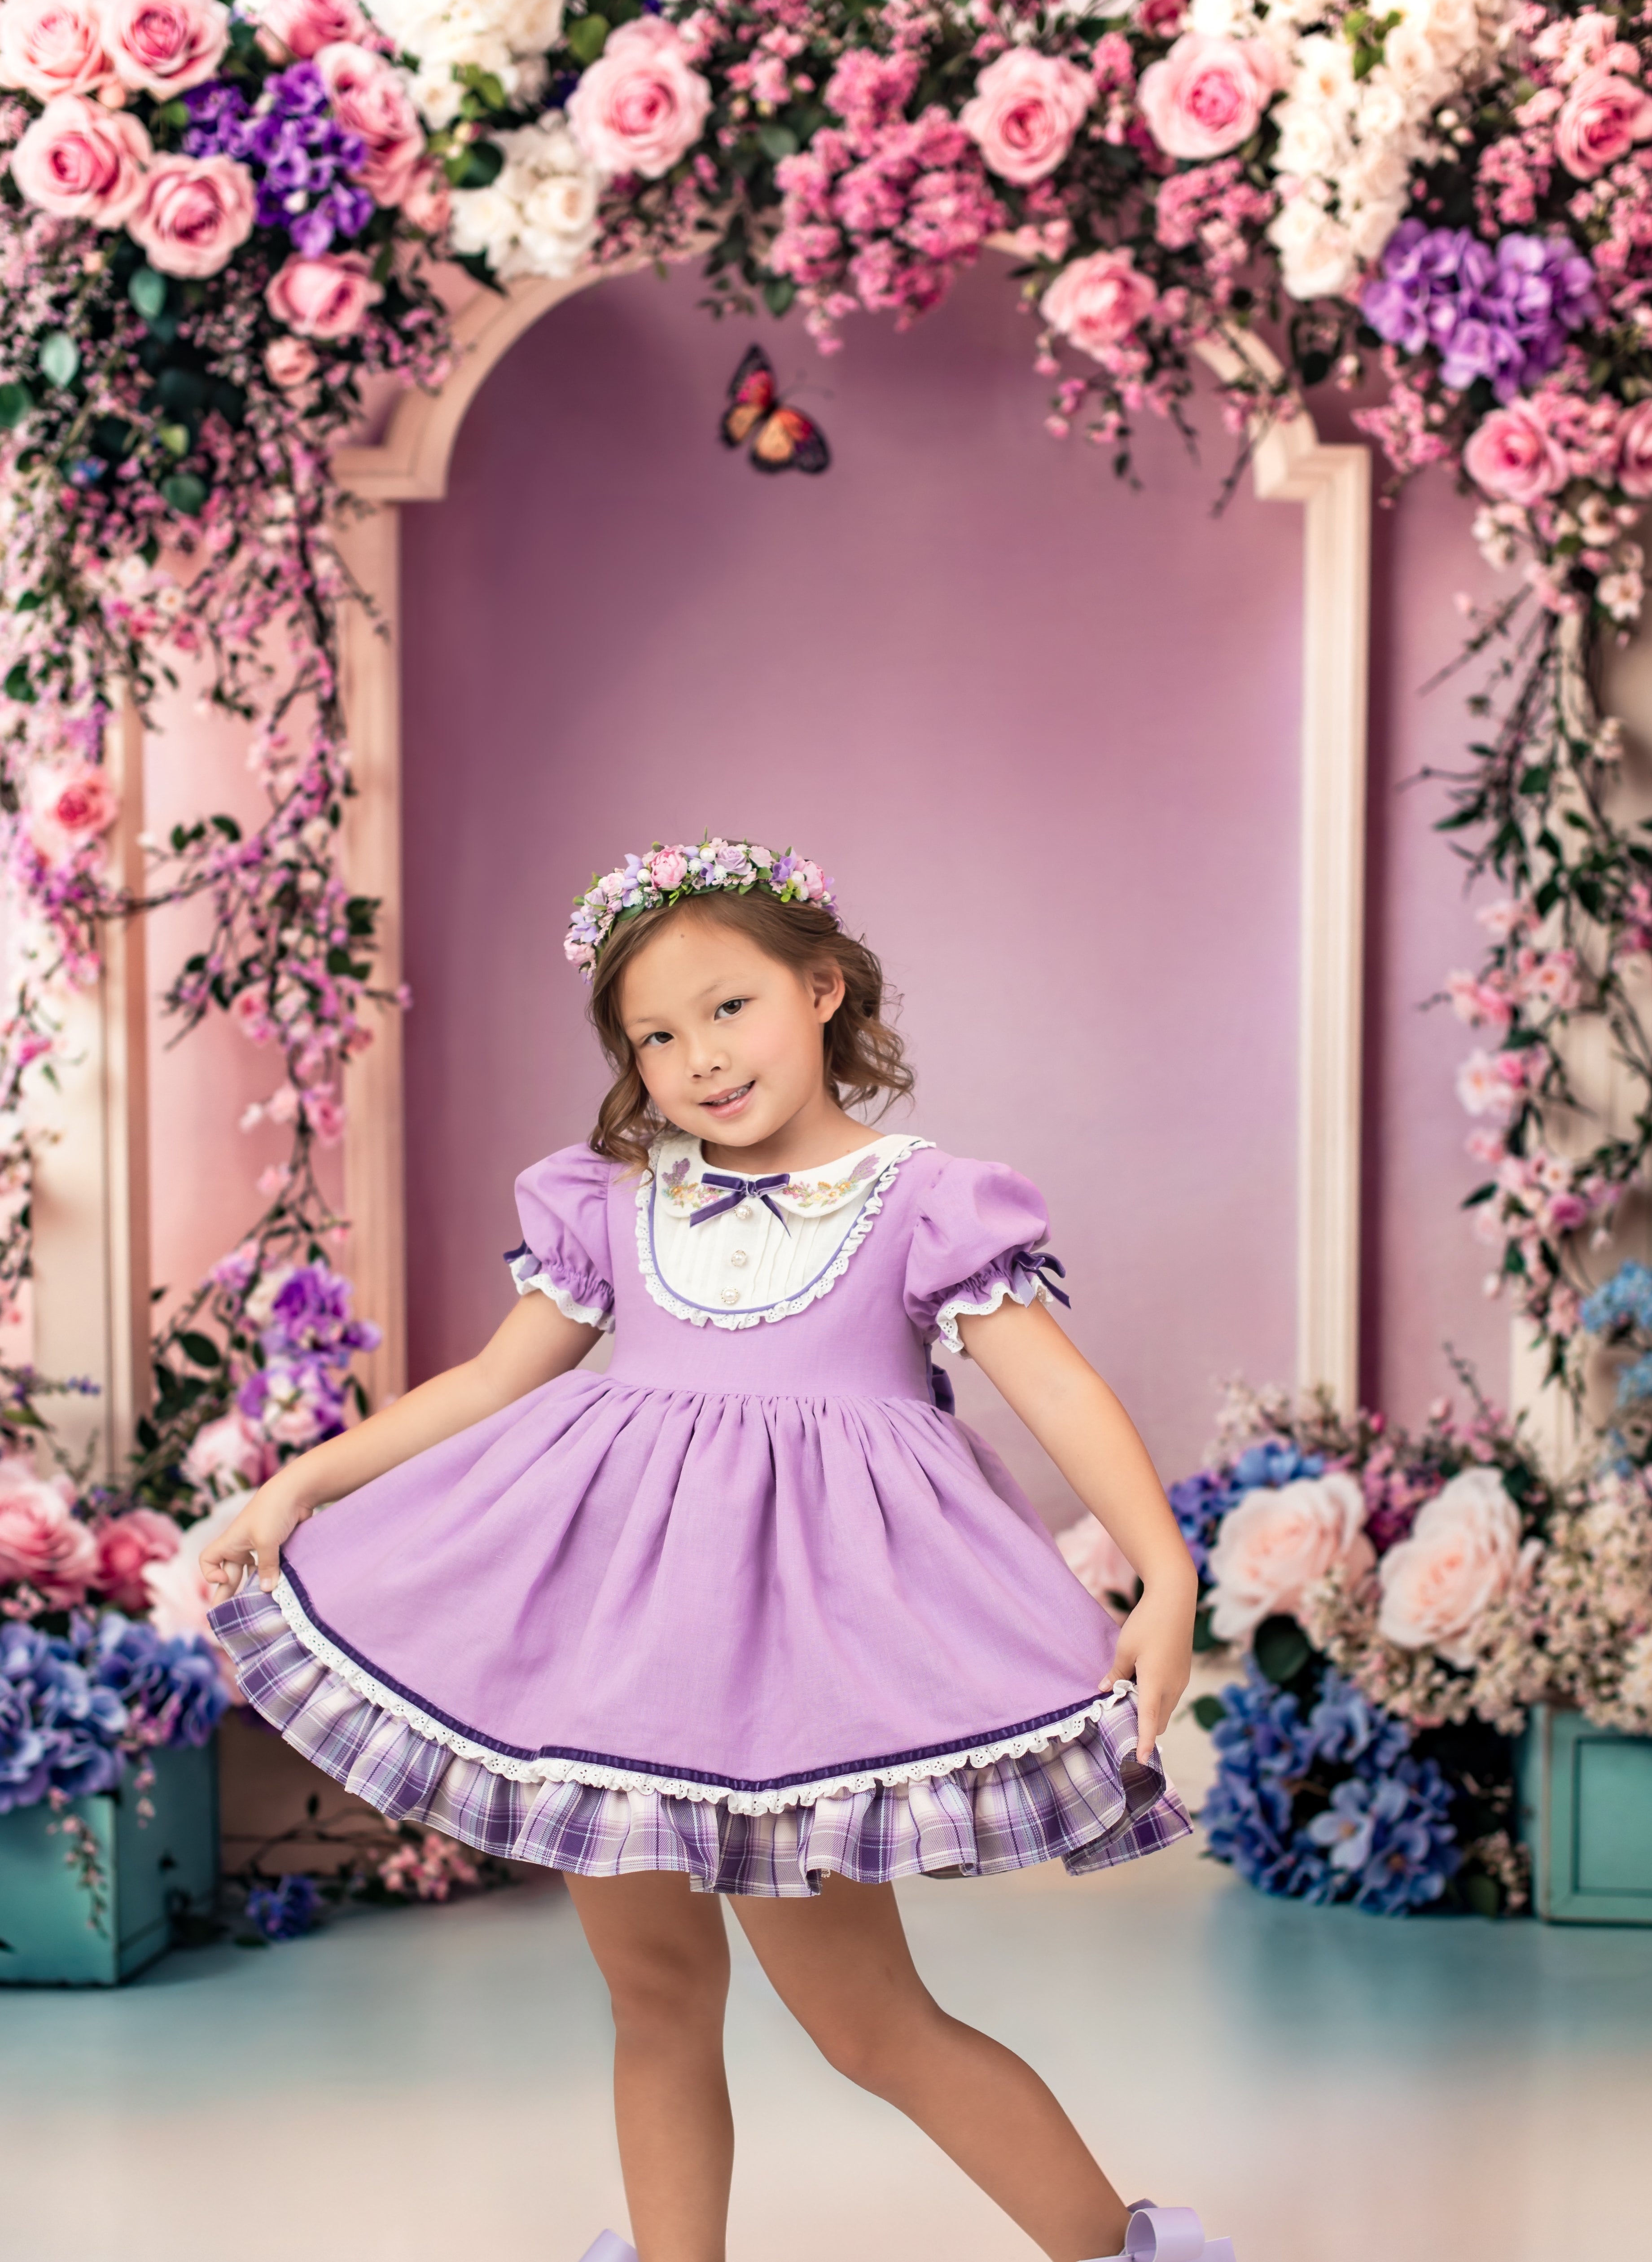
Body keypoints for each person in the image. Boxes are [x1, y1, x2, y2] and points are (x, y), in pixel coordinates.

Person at [202, 837, 1232, 2262]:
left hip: (791, 1675)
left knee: (868, 2022)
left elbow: (1052, 1387)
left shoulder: (923, 1198)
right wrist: (302, 1483)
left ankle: (1117, 2254)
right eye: (658, 1034)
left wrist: (1163, 1571)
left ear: (821, 988)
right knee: (654, 1997)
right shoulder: (615, 1199)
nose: (698, 1055)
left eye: (729, 1006)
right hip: (609, 1649)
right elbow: (496, 1381)